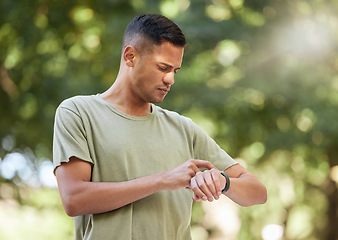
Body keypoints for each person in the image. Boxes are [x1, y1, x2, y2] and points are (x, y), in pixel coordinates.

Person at [53, 14, 267, 240]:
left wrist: (223, 182)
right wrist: (163, 180)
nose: (170, 79)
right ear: (130, 56)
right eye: (163, 67)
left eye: (175, 70)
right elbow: (74, 199)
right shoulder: (77, 112)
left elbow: (257, 192)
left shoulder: (183, 128)